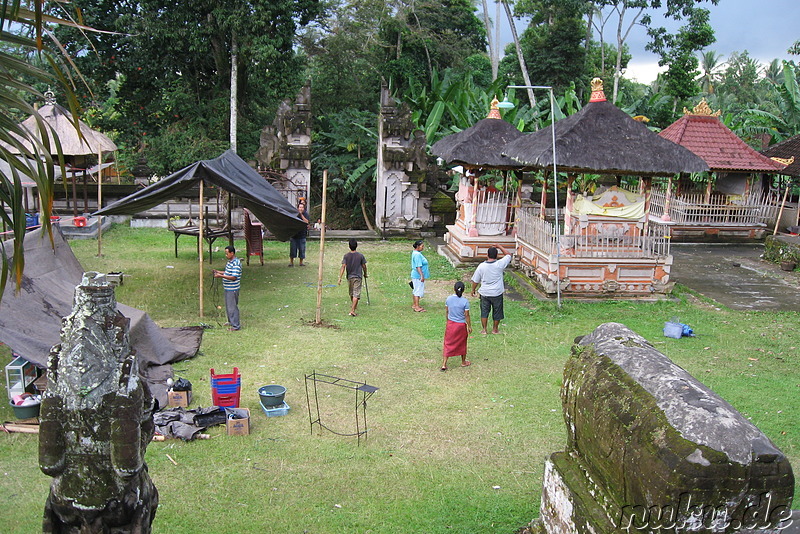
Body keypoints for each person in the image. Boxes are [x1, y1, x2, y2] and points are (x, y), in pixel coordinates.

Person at [470, 244, 513, 334]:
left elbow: (475, 280)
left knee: (484, 311)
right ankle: (495, 329)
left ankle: (484, 329)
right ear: (496, 255)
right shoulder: (499, 264)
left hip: (485, 292)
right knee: (497, 311)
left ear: (487, 255)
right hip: (497, 292)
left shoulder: (481, 266)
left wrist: (473, 290)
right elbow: (508, 254)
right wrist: (499, 246)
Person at [441, 281, 472, 371]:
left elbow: (447, 311)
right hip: (461, 325)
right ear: (463, 290)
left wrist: (448, 320)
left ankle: (444, 364)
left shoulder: (449, 299)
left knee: (448, 343)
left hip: (451, 324)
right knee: (462, 343)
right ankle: (463, 362)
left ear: (454, 289)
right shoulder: (465, 301)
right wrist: (469, 326)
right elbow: (467, 315)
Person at [213, 245, 242, 331]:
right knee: (228, 306)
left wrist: (221, 276)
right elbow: (228, 272)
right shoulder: (230, 262)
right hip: (227, 288)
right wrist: (218, 272)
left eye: (227, 253)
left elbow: (234, 277)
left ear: (232, 253)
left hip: (232, 289)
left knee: (232, 307)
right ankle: (230, 321)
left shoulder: (236, 263)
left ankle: (236, 326)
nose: (226, 255)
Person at [338, 239, 368, 317]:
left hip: (350, 277)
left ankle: (353, 309)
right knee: (355, 294)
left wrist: (340, 277)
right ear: (356, 246)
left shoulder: (346, 256)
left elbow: (343, 266)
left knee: (352, 293)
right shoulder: (360, 256)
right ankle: (353, 309)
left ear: (349, 246)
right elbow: (364, 266)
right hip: (358, 277)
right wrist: (365, 273)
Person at [289, 198, 310, 267]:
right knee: (292, 249)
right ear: (297, 208)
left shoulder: (305, 214)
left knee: (302, 249)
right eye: (299, 207)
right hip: (294, 235)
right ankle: (291, 262)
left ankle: (301, 262)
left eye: (302, 207)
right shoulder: (294, 213)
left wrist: (301, 215)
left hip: (302, 235)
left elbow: (306, 222)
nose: (301, 208)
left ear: (304, 208)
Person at [410, 240, 429, 312]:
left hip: (416, 275)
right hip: (418, 276)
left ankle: (415, 304)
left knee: (415, 289)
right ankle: (417, 307)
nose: (423, 247)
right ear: (417, 246)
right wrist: (422, 276)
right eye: (422, 246)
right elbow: (418, 266)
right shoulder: (417, 255)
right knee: (418, 290)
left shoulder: (415, 253)